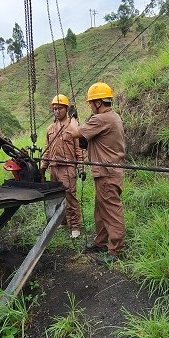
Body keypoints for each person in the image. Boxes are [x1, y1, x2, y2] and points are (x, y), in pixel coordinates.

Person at [69, 81, 126, 259]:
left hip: (107, 173)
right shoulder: (114, 117)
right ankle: (100, 242)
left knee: (111, 209)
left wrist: (72, 119)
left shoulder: (101, 119)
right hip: (107, 172)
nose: (91, 107)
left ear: (98, 103)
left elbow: (74, 133)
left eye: (91, 103)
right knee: (101, 209)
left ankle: (115, 249)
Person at [40, 94, 85, 238]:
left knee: (70, 197)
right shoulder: (50, 129)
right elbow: (46, 150)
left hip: (67, 167)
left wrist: (81, 168)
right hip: (54, 167)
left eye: (59, 108)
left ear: (66, 109)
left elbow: (79, 150)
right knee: (57, 197)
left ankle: (75, 226)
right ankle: (63, 221)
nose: (56, 111)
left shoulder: (73, 127)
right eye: (54, 109)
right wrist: (43, 167)